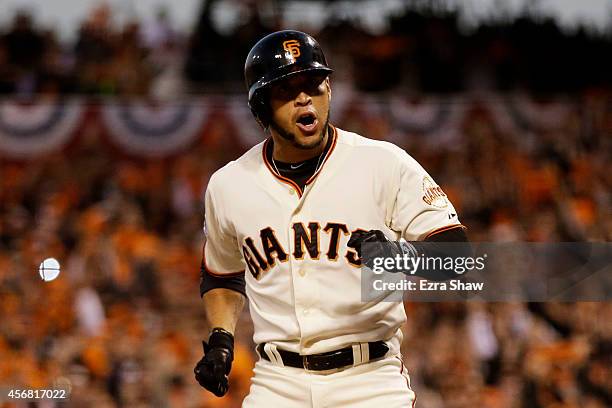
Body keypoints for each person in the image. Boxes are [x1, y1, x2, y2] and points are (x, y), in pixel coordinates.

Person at [194, 30, 468, 407]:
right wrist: (222, 338)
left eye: (314, 84)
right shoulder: (229, 185)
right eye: (287, 90)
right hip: (277, 382)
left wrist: (396, 256)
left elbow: (458, 258)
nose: (304, 97)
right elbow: (222, 273)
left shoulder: (382, 163)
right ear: (261, 107)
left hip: (369, 381)